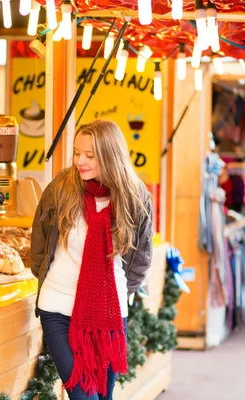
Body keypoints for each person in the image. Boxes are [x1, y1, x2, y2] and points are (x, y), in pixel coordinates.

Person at [29, 120, 153, 399]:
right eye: (76, 153)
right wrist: (53, 282)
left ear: (110, 155)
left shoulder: (134, 197)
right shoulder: (61, 188)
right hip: (57, 307)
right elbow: (39, 245)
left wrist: (107, 294)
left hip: (108, 315)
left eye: (90, 155)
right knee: (84, 397)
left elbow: (139, 261)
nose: (79, 161)